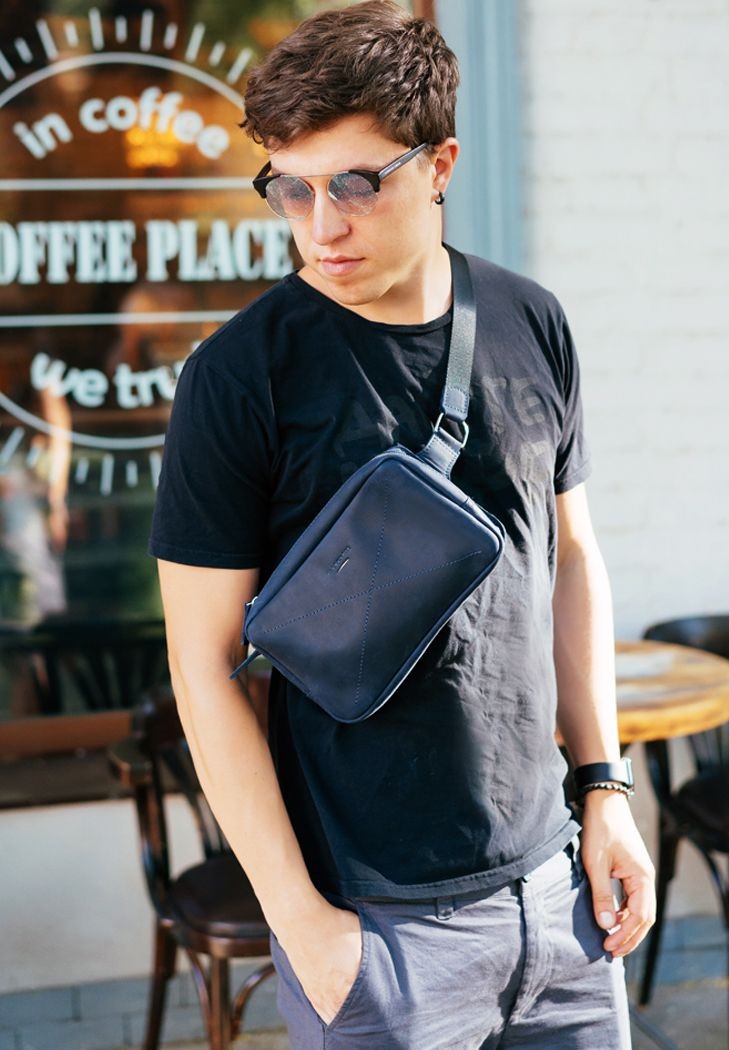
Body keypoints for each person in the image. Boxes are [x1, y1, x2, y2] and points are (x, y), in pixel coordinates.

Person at [149, 3, 655, 1046]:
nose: (319, 226)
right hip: (373, 928)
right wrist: (305, 924)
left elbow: (569, 558)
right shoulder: (238, 377)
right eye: (290, 188)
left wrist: (604, 790)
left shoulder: (530, 320)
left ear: (440, 166)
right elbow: (202, 668)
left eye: (354, 184)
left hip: (558, 893)